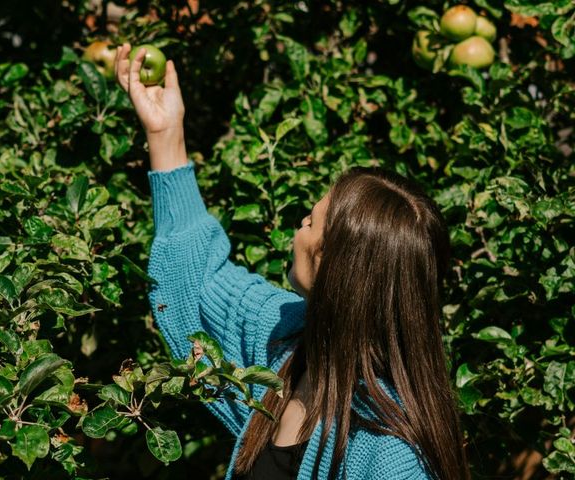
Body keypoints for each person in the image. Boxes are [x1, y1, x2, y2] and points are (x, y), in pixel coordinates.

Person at [114, 43, 471, 480]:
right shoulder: (287, 338)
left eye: (313, 222)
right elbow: (199, 281)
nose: (301, 223)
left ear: (342, 271)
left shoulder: (390, 455)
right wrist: (165, 133)